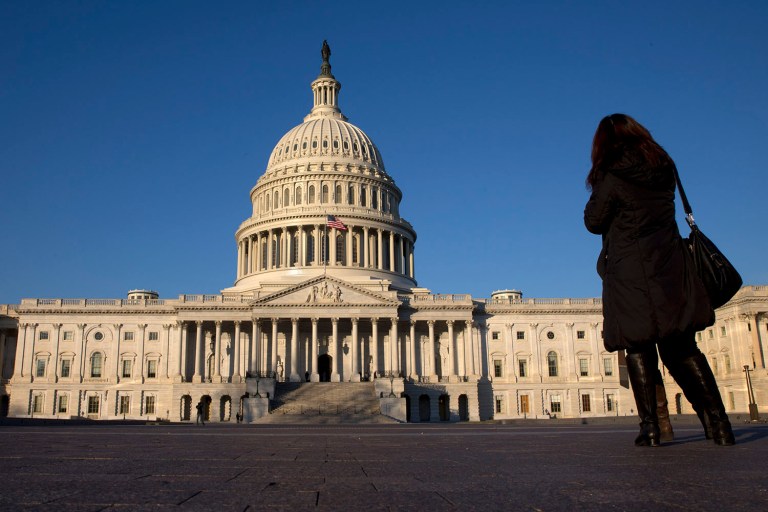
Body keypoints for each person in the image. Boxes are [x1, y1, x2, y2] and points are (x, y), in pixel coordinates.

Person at [584, 113, 734, 447]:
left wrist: (598, 187)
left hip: (629, 270)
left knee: (638, 346)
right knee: (682, 346)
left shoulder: (612, 172)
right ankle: (720, 424)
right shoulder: (663, 165)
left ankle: (650, 427)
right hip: (669, 263)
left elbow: (594, 220)